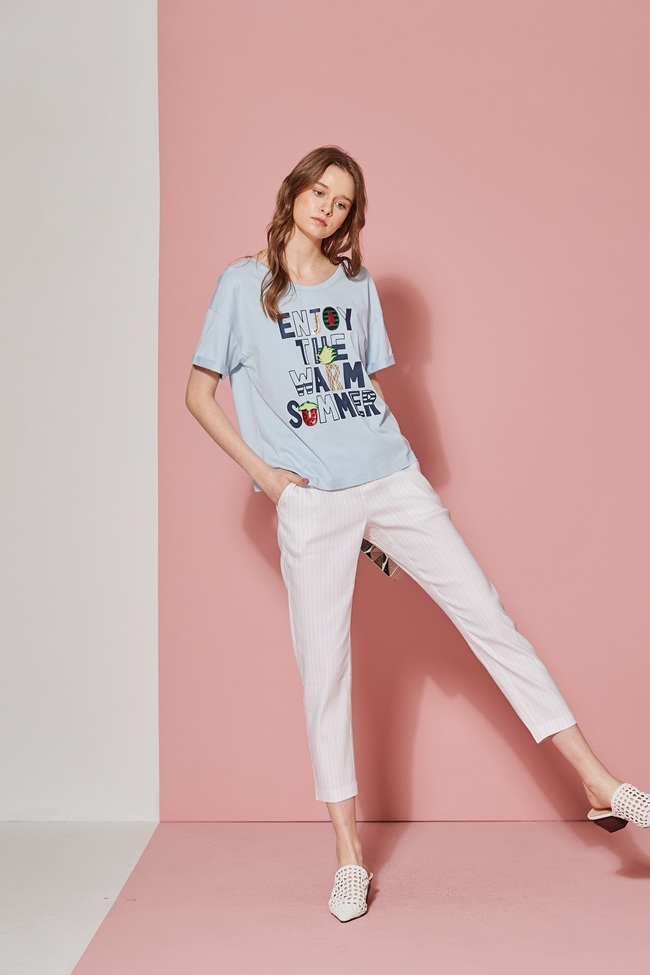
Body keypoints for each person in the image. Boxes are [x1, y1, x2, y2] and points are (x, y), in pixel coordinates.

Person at [185, 145, 650, 923]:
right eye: (319, 191)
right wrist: (266, 476)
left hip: (392, 479)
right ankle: (349, 855)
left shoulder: (356, 286)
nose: (328, 208)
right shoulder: (241, 285)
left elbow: (357, 395)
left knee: (487, 614)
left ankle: (599, 780)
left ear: (351, 216)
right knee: (325, 671)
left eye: (343, 202)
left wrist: (377, 525)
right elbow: (199, 394)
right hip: (309, 503)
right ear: (294, 191)